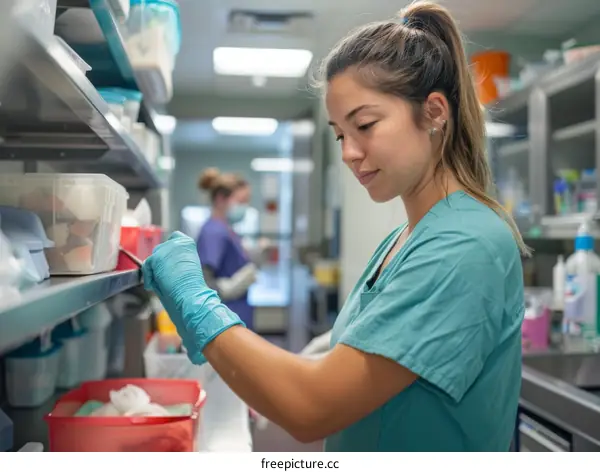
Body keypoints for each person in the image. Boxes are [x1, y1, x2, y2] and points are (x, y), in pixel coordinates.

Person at [143, 1, 527, 451]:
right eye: (341, 134)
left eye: (365, 124)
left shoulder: (465, 243)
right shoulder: (406, 237)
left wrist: (192, 300)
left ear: (434, 112)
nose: (347, 152)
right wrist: (271, 376)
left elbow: (314, 409)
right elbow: (364, 350)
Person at [195, 168, 257, 330]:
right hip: (223, 321)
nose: (245, 207)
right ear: (221, 198)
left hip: (234, 316)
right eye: (241, 201)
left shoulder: (227, 230)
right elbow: (204, 284)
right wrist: (233, 286)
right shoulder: (214, 232)